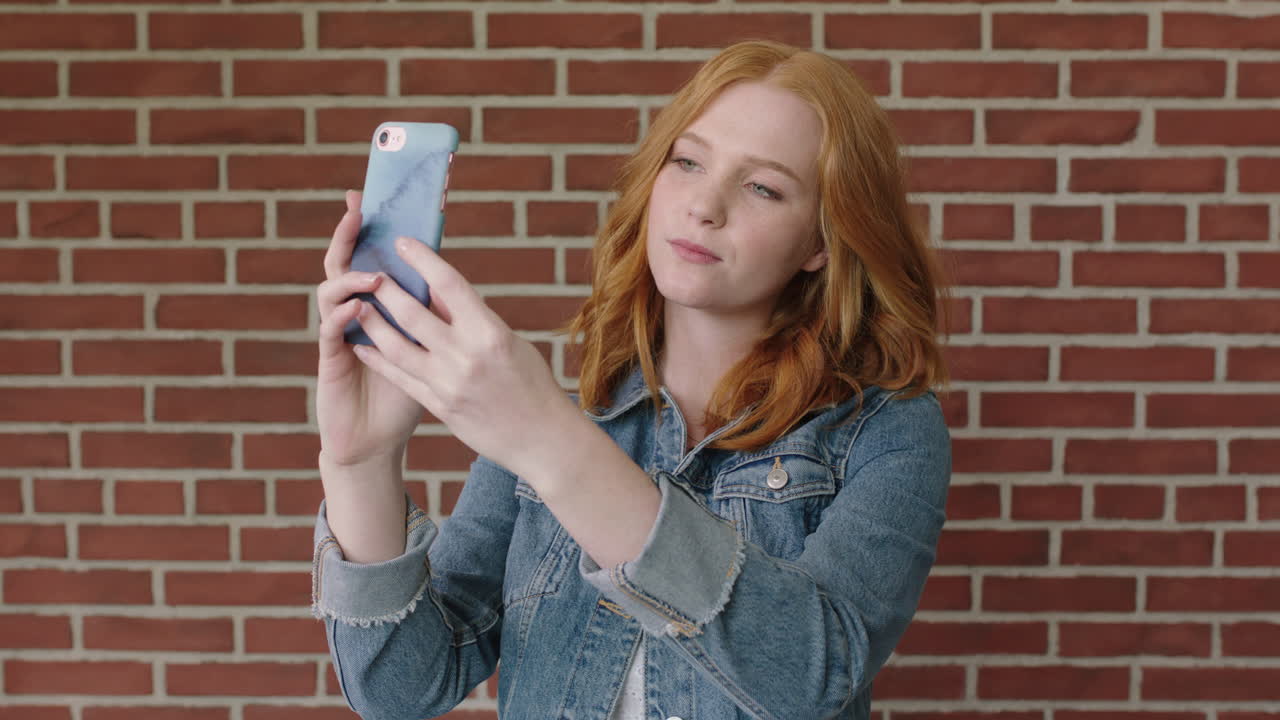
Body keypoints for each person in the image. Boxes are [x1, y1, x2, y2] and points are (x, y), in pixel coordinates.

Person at [310, 39, 952, 720]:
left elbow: (810, 675)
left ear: (823, 240)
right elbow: (400, 690)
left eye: (762, 186)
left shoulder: (887, 433)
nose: (705, 205)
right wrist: (361, 464)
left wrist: (555, 448)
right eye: (687, 161)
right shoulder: (557, 423)